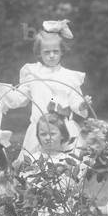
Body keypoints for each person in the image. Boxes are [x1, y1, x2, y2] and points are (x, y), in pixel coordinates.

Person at [12, 20, 87, 158]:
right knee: (37, 167)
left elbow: (75, 100)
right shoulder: (32, 73)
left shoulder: (69, 76)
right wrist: (3, 92)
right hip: (40, 131)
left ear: (62, 52)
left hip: (64, 129)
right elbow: (19, 98)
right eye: (47, 52)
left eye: (55, 51)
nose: (51, 55)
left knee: (68, 166)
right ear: (39, 53)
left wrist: (82, 105)